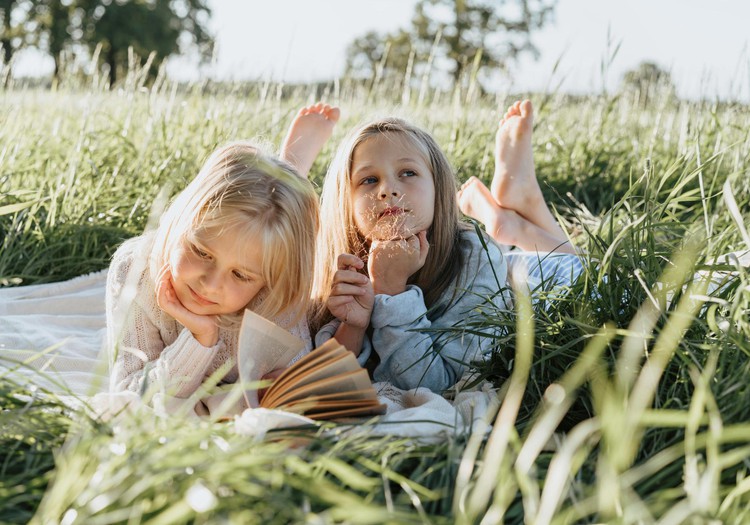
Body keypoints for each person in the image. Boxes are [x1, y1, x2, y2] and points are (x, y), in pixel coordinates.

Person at [107, 103, 339, 399]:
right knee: (263, 221)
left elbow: (289, 385)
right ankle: (289, 171)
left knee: (281, 229)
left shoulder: (275, 288)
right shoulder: (135, 270)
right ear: (181, 221)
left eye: (240, 275)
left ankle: (291, 172)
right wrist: (200, 340)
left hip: (275, 250)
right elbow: (129, 394)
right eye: (202, 252)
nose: (211, 284)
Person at [310, 115, 510, 393]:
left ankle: (510, 218)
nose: (387, 190)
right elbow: (327, 384)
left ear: (438, 187)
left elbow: (438, 384)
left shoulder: (476, 257)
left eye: (407, 173)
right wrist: (352, 327)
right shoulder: (340, 265)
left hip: (527, 272)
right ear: (346, 203)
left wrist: (391, 293)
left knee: (558, 260)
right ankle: (505, 223)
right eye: (369, 179)